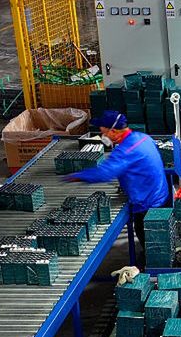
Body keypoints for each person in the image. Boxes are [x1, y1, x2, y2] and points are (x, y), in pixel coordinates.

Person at [66, 110, 171, 264]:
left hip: (148, 204)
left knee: (147, 239)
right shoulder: (143, 138)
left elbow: (104, 173)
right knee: (155, 238)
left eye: (104, 133)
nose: (104, 137)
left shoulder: (125, 151)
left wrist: (75, 176)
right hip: (160, 193)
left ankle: (148, 266)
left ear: (114, 131)